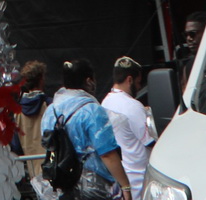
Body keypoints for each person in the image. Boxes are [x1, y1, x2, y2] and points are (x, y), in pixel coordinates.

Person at [41, 57, 134, 200]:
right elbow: (107, 154)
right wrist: (125, 186)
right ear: (89, 81)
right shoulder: (92, 111)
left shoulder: (51, 111)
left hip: (61, 184)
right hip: (93, 186)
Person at [102, 56, 154, 200]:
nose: (138, 87)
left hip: (122, 181)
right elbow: (151, 142)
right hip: (140, 182)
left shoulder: (106, 102)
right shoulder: (132, 105)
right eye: (138, 83)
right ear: (129, 80)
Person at [14, 57, 49, 184]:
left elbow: (16, 145)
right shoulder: (50, 105)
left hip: (32, 171)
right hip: (51, 169)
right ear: (40, 80)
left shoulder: (17, 111)